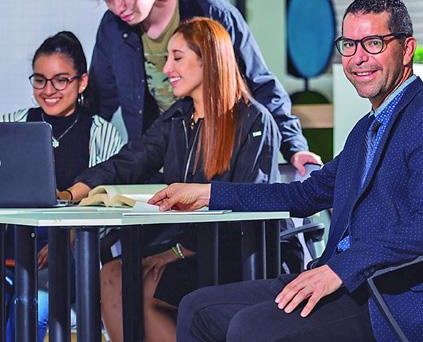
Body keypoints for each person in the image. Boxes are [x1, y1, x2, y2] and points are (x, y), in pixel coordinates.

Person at [150, 0, 423, 341]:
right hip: (353, 283)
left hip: (398, 299)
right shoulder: (367, 130)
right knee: (197, 308)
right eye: (349, 45)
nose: (358, 58)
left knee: (251, 327)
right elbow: (304, 195)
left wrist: (339, 270)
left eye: (374, 43)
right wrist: (208, 194)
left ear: (407, 49)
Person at [63, 17, 281, 342]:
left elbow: (249, 205)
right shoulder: (178, 117)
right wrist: (71, 192)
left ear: (209, 61)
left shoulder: (254, 121)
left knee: (148, 287)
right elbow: (130, 161)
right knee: (111, 275)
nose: (166, 69)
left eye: (177, 58)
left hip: (239, 254)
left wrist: (177, 252)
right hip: (189, 247)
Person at [87, 0, 320, 174]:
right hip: (155, 162)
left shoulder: (211, 11)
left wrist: (294, 146)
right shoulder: (112, 27)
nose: (118, 7)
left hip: (217, 159)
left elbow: (259, 83)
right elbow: (100, 100)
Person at [0, 31, 126, 341]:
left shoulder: (102, 134)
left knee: (35, 307)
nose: (48, 90)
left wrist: (65, 238)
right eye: (39, 80)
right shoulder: (9, 125)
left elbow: (107, 207)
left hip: (69, 257)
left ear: (82, 82)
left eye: (60, 80)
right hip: (6, 252)